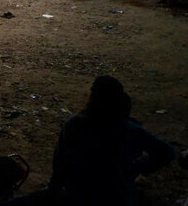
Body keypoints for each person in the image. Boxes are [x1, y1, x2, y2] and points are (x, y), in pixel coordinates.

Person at [48, 76, 176, 205]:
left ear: (93, 97)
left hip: (81, 196)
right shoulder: (130, 130)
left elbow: (60, 164)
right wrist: (136, 168)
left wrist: (53, 191)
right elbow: (167, 152)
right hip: (119, 198)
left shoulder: (75, 125)